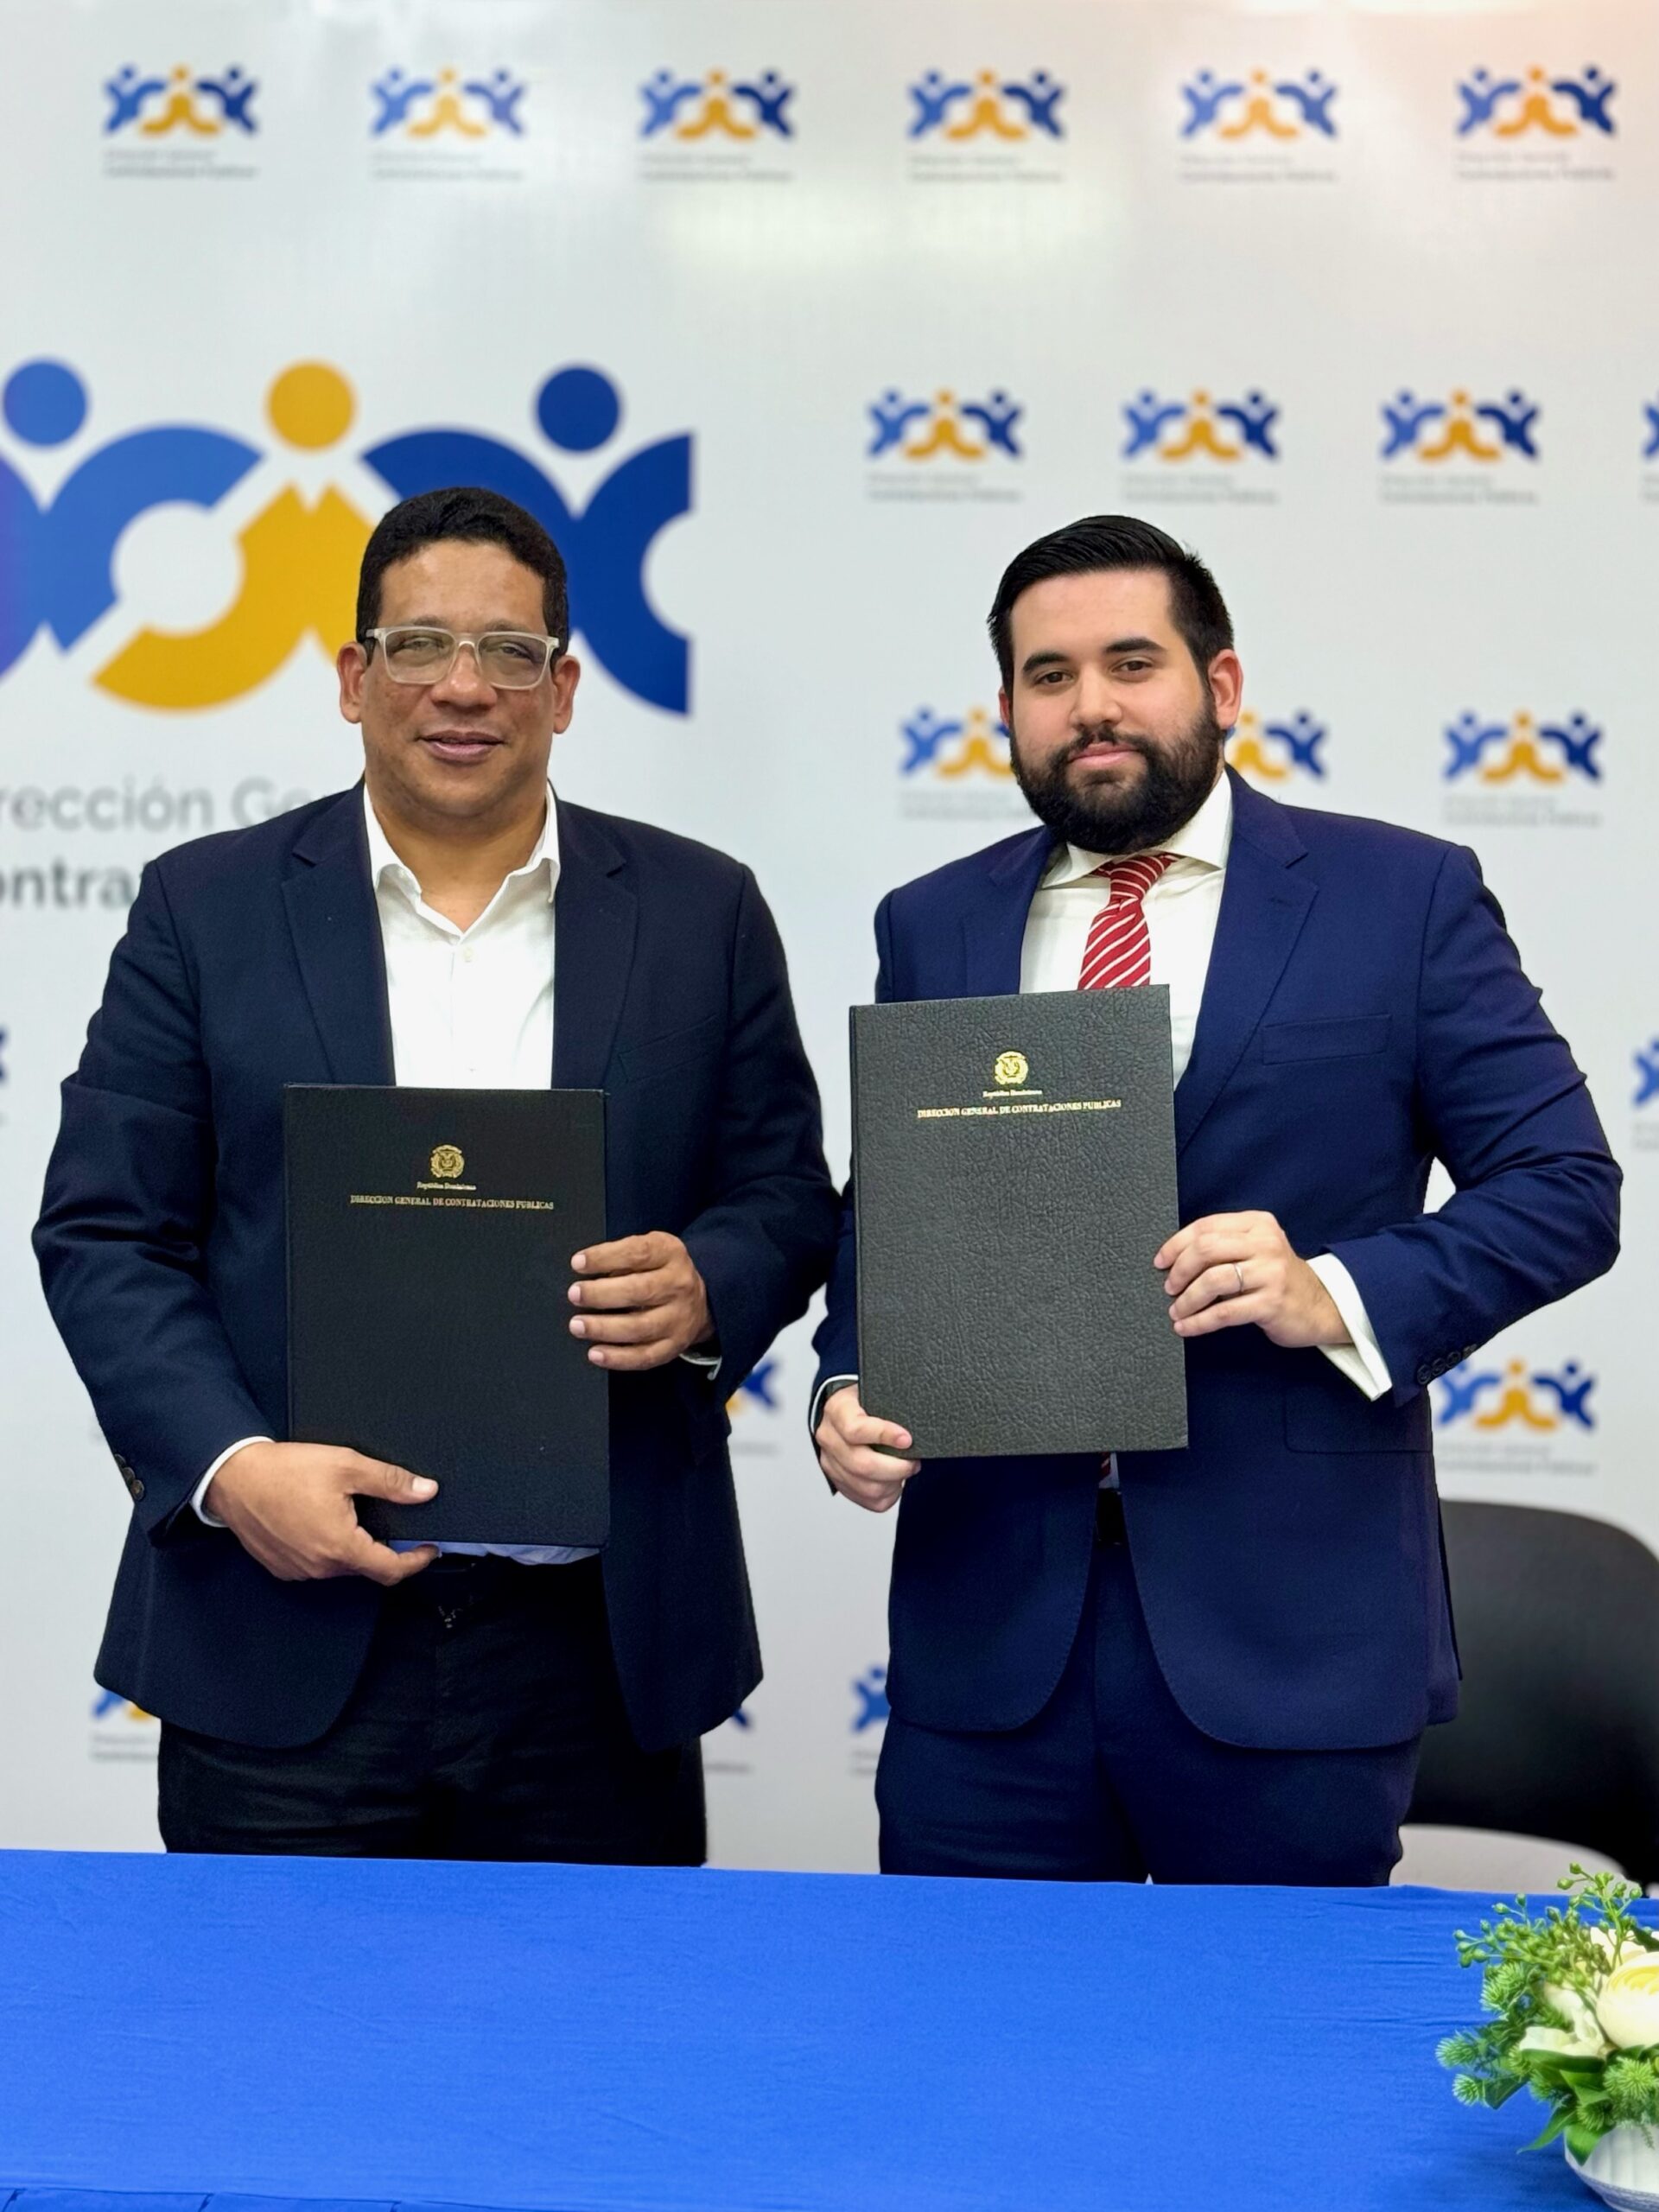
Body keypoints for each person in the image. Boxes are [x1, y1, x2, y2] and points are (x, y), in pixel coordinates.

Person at [812, 513, 1619, 1885]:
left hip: (1289, 1641)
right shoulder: (932, 922)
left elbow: (1565, 1188)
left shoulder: (1401, 897)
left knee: (1279, 2025)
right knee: (972, 2020)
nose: (1092, 705)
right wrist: (847, 1380)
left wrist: (1333, 1290)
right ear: (1006, 710)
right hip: (989, 1644)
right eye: (1049, 675)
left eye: (1132, 663)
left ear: (1222, 685)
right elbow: (888, 1213)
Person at [36, 486, 837, 1860]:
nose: (464, 687)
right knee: (281, 2007)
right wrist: (232, 1468)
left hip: (596, 1654)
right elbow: (107, 1231)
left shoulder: (701, 911)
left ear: (563, 690)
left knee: (594, 2012)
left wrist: (711, 1284)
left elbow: (784, 1197)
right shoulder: (204, 908)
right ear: (355, 678)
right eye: (418, 646)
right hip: (280, 1635)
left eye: (510, 652)